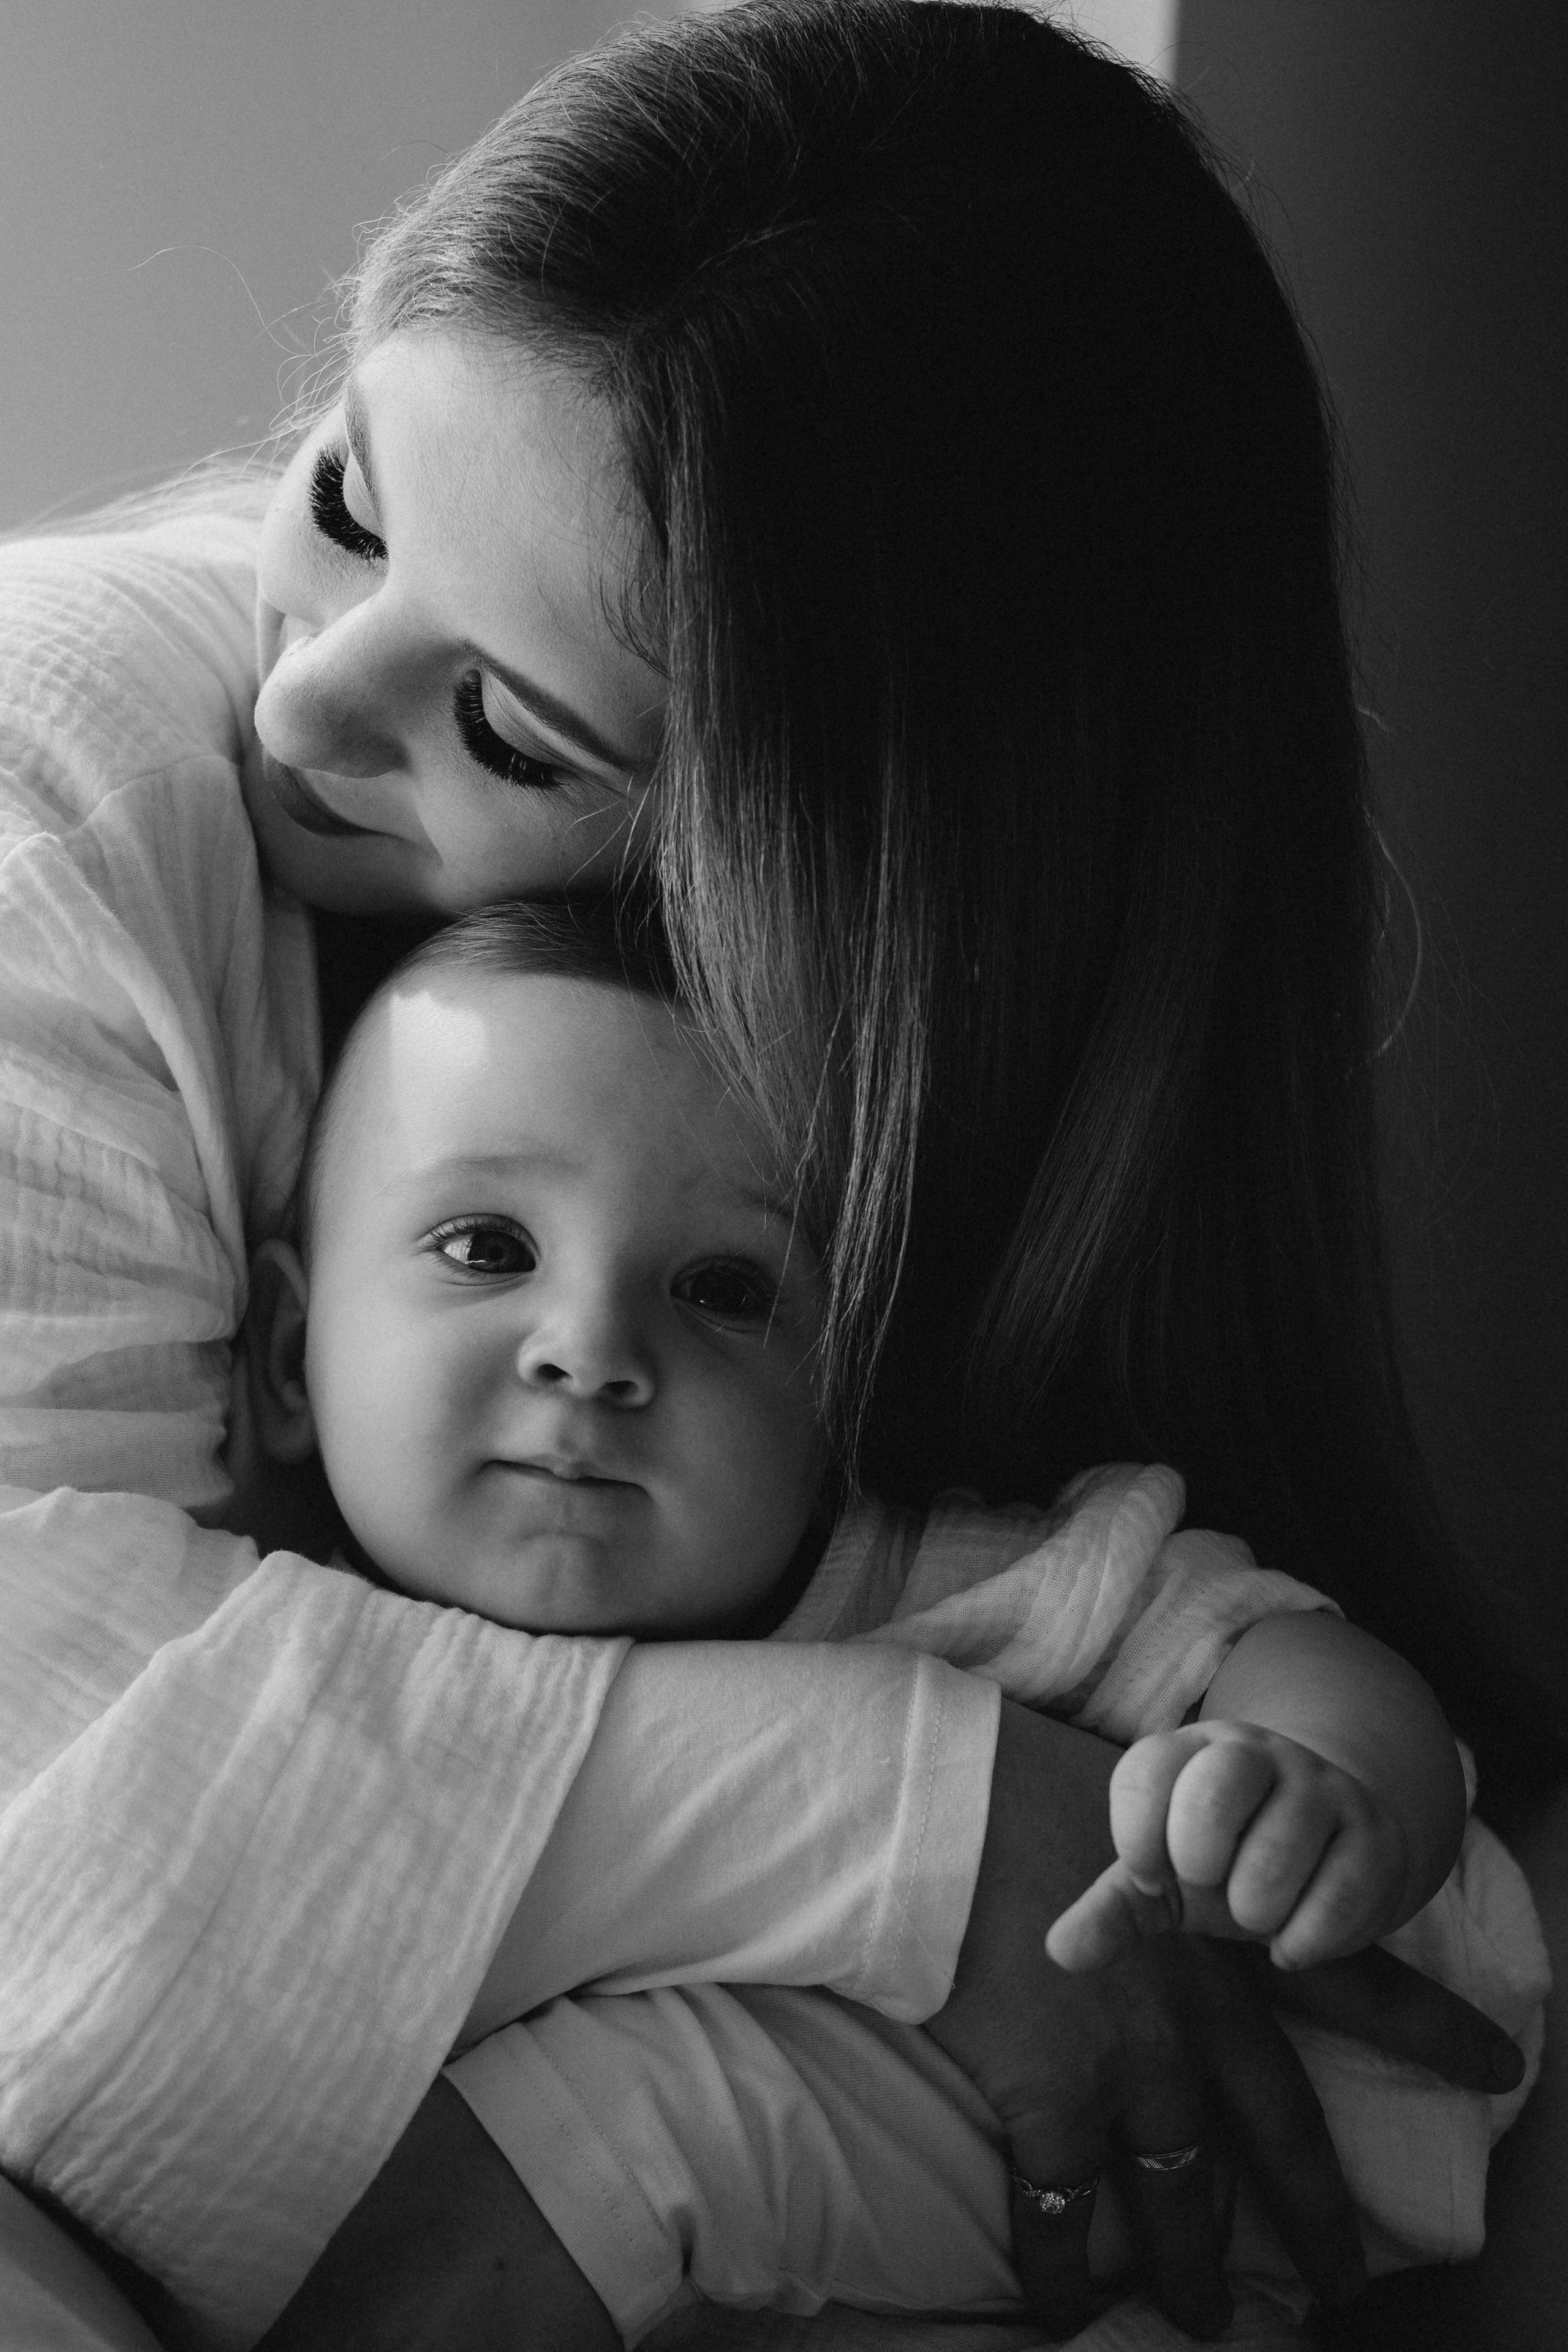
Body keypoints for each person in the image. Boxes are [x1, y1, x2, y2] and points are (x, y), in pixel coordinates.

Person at [0, 2, 1549, 2347]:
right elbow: (49, 1803)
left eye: (511, 725)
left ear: (848, 906)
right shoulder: (67, 786)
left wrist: (1287, 1794)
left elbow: (1323, 1806)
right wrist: (925, 1836)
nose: (298, 698)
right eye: (346, 499)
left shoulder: (858, 1291)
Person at [223, 897, 1540, 2348]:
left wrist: (1313, 1780)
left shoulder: (922, 1584)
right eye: (485, 1247)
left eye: (725, 1290)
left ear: (834, 1406)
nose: (590, 1349)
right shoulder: (282, 1652)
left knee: (562, 2138)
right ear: (290, 1355)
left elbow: (1260, 1635)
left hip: (1241, 2102)